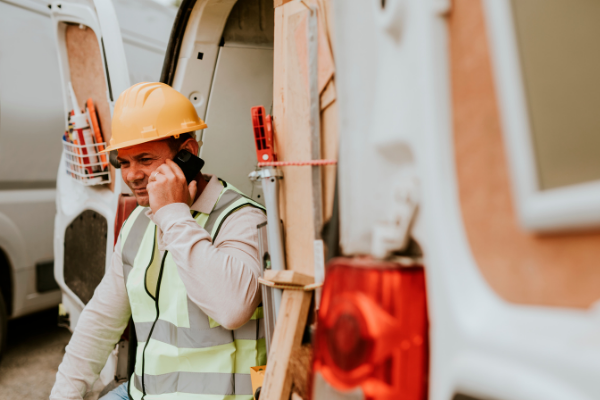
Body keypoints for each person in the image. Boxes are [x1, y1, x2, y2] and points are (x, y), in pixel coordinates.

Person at [50, 82, 267, 400]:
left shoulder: (244, 219)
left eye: (145, 159)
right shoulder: (138, 223)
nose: (132, 175)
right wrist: (63, 395)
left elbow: (232, 307)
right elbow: (99, 323)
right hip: (142, 394)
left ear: (187, 154)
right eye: (123, 163)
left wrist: (174, 214)